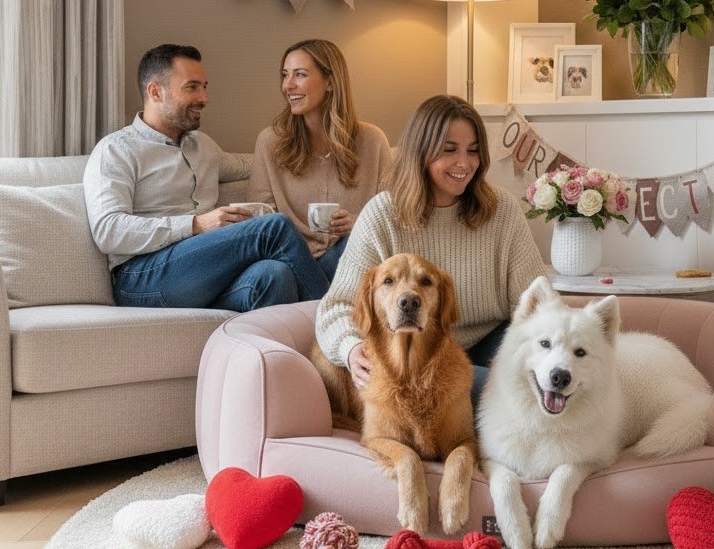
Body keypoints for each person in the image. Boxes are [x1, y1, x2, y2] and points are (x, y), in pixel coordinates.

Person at [315, 94, 547, 406]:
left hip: (491, 341)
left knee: (541, 385)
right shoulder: (382, 214)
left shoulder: (502, 209)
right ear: (421, 152)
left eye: (473, 151)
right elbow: (336, 307)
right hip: (415, 354)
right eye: (449, 150)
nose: (464, 163)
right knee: (506, 398)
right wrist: (350, 348)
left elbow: (536, 302)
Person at [84, 43, 326, 311]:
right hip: (142, 277)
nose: (204, 97)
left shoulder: (204, 147)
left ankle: (264, 350)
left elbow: (252, 164)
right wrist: (196, 224)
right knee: (274, 227)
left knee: (273, 275)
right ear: (155, 91)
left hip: (204, 275)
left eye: (204, 86)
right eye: (192, 87)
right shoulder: (116, 149)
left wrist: (316, 152)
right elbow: (108, 231)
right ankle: (340, 331)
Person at [248, 40, 392, 293]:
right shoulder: (270, 141)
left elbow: (391, 214)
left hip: (346, 259)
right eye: (285, 75)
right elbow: (261, 219)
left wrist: (357, 222)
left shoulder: (372, 140)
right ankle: (325, 310)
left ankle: (314, 308)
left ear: (331, 82)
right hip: (292, 262)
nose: (288, 85)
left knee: (354, 243)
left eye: (300, 74)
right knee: (275, 267)